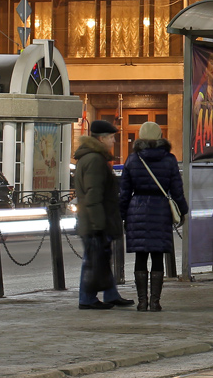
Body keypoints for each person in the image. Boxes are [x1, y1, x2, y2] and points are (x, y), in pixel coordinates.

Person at [119, 121, 188, 312]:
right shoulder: (169, 160)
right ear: (160, 137)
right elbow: (177, 189)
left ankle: (142, 302)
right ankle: (155, 302)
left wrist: (122, 214)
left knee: (141, 257)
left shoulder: (133, 160)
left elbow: (124, 192)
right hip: (160, 210)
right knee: (157, 256)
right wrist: (182, 210)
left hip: (137, 210)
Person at [73, 120, 135, 310]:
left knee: (99, 258)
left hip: (94, 219)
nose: (113, 141)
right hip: (95, 221)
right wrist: (99, 224)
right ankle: (87, 297)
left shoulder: (92, 158)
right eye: (111, 137)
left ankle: (110, 294)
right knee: (93, 259)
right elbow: (93, 195)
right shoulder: (94, 160)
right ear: (101, 138)